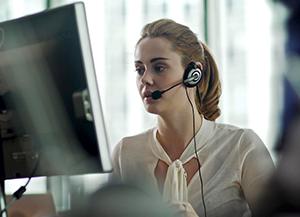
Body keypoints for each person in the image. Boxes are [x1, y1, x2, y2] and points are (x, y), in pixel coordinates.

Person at [110, 18, 274, 217]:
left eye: (159, 67)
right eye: (139, 69)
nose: (145, 79)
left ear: (193, 74)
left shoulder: (242, 146)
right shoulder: (125, 153)